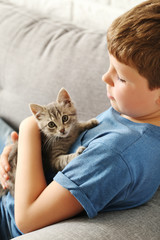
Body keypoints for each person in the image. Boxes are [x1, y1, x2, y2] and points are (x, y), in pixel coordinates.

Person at [0, 0, 160, 238]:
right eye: (110, 67)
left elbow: (27, 219)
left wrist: (29, 127)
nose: (105, 77)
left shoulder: (115, 152)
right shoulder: (128, 116)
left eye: (121, 78)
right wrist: (18, 153)